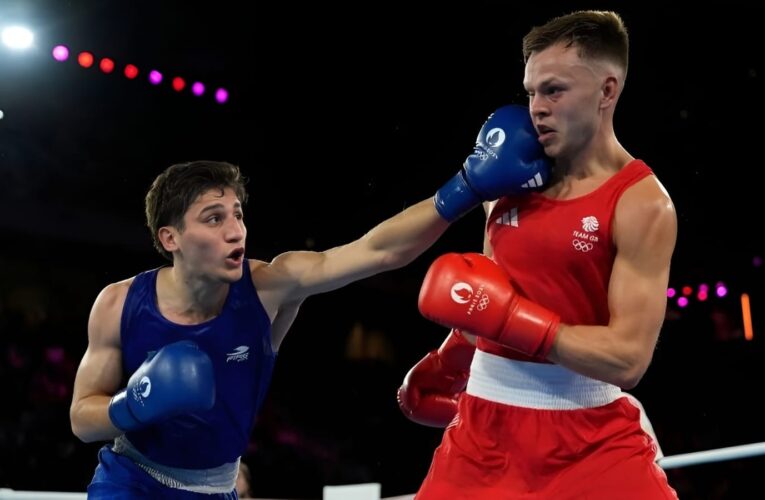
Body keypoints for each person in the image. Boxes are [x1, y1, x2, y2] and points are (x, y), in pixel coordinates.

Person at [69, 101, 553, 498]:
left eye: (237, 214)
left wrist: (465, 186)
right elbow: (80, 419)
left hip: (216, 489)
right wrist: (133, 403)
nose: (237, 231)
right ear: (170, 237)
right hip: (128, 482)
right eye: (214, 219)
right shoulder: (118, 304)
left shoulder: (270, 286)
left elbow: (377, 251)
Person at [402, 10, 679, 499]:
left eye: (554, 90)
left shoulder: (641, 203)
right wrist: (452, 356)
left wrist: (513, 321)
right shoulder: (505, 176)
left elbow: (627, 360)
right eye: (531, 92)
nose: (536, 108)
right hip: (482, 433)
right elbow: (488, 298)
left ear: (607, 92)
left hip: (590, 437)